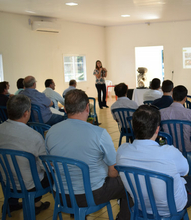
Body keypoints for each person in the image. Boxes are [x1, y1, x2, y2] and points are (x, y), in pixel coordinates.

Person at [116, 105, 191, 220]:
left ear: (133, 127)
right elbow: (185, 171)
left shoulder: (122, 151)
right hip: (173, 206)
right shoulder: (169, 152)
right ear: (157, 129)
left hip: (142, 206)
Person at [45, 89, 130, 220]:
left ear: (66, 109)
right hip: (90, 195)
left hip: (60, 194)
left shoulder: (51, 132)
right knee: (129, 184)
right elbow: (113, 172)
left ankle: (78, 216)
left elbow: (51, 163)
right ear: (87, 108)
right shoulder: (99, 133)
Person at [0, 95, 50, 214]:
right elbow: (45, 166)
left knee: (13, 167)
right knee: (53, 173)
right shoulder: (34, 136)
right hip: (30, 185)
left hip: (7, 182)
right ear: (26, 113)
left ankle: (11, 203)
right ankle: (37, 204)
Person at [161, 85, 191, 152]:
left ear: (172, 97)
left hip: (169, 147)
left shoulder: (161, 113)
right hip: (188, 148)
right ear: (185, 98)